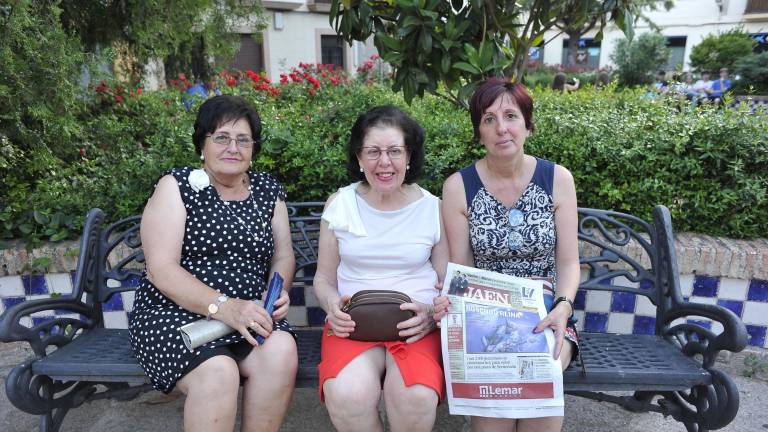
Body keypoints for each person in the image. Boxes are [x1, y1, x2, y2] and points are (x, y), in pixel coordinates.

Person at [129, 95, 297, 432]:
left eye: (243, 139)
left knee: (281, 351)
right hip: (175, 314)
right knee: (219, 372)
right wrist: (225, 307)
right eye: (221, 137)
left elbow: (283, 254)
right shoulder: (176, 187)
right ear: (202, 144)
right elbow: (162, 269)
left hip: (250, 313)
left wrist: (277, 291)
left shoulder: (267, 190)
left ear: (253, 148)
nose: (232, 147)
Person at [434, 77, 580, 432]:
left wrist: (564, 306)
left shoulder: (557, 179)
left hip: (546, 309)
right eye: (489, 120)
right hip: (485, 308)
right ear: (478, 132)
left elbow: (568, 262)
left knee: (542, 369)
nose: (502, 129)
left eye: (511, 116)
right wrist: (449, 302)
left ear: (527, 125)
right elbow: (462, 270)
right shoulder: (459, 187)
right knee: (495, 395)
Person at [313, 105, 448, 432]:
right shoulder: (340, 204)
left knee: (415, 396)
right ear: (358, 158)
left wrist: (432, 314)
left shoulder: (434, 208)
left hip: (418, 327)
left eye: (394, 151)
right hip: (352, 326)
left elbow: (448, 283)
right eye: (373, 151)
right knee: (346, 394)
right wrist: (331, 306)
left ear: (409, 156)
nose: (384, 162)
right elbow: (323, 278)